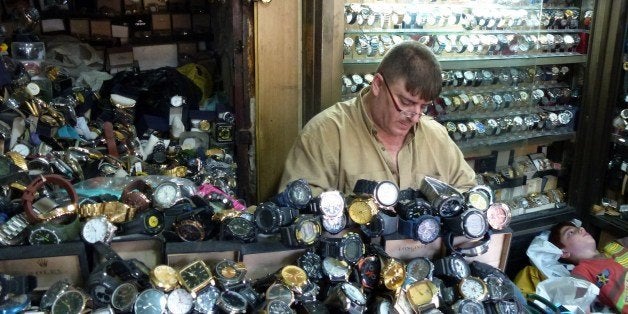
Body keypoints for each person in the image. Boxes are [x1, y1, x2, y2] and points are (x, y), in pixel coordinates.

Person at [279, 41, 476, 195]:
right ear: (378, 85)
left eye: (423, 106)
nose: (414, 118)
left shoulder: (436, 137)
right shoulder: (324, 134)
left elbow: (468, 191)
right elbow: (299, 211)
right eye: (406, 103)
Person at [548, 220, 627, 313]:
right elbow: (577, 305)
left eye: (579, 228)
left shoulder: (616, 245)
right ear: (564, 252)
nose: (581, 229)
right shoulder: (581, 272)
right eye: (571, 232)